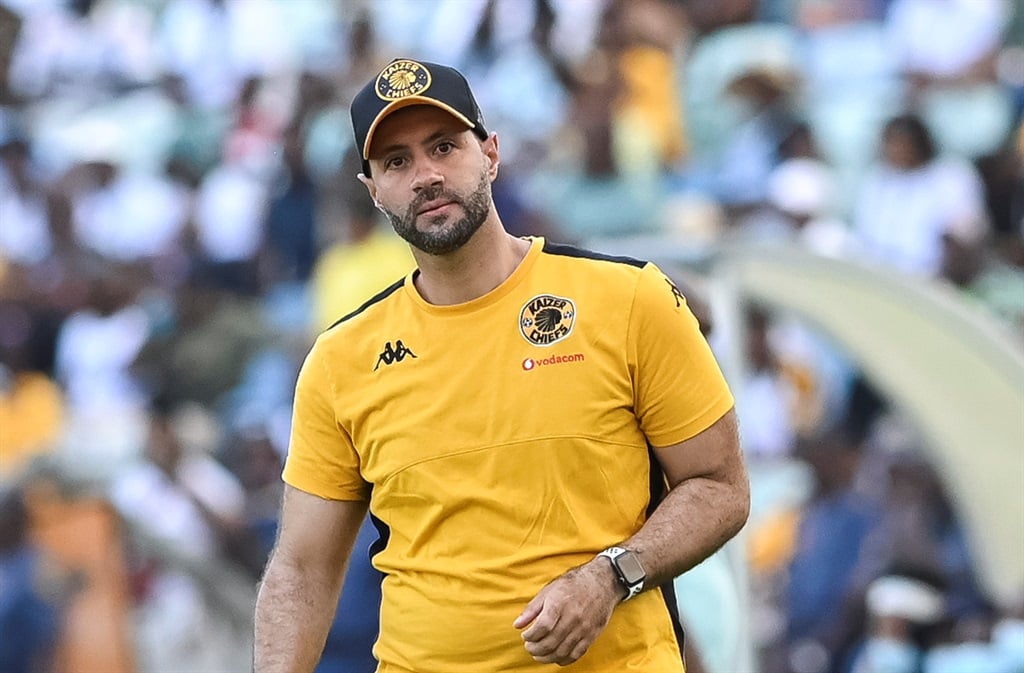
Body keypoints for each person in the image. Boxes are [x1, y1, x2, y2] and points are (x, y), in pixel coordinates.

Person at [253, 58, 749, 673]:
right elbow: (301, 568)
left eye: (443, 147)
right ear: (372, 188)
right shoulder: (340, 361)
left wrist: (610, 577)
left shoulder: (628, 299)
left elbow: (721, 486)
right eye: (397, 161)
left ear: (490, 154)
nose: (426, 175)